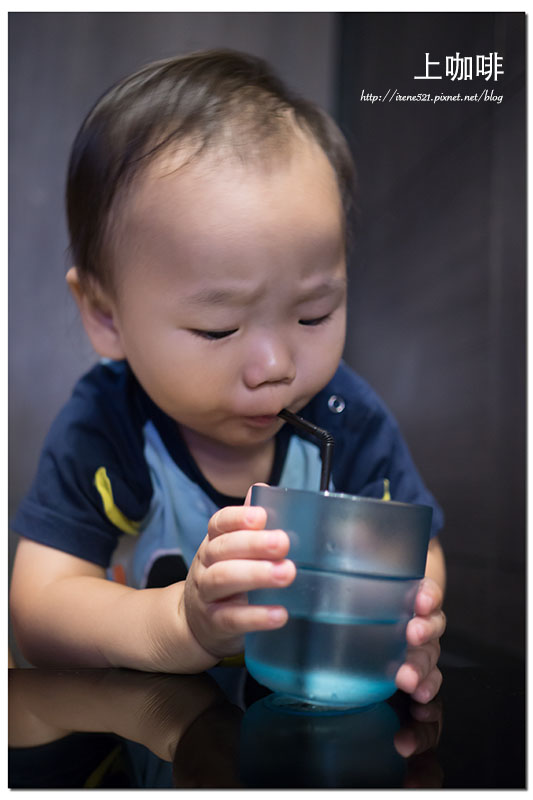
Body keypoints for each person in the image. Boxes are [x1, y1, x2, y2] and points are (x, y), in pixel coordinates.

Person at [10, 49, 446, 703]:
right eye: (218, 330)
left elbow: (414, 544)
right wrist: (176, 626)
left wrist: (409, 619)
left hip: (303, 726)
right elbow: (38, 608)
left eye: (312, 314)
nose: (274, 368)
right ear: (106, 315)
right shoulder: (109, 424)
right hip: (141, 737)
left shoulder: (342, 417)